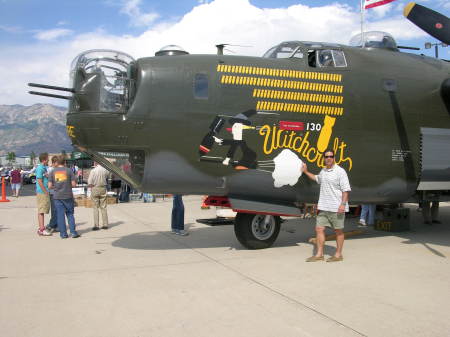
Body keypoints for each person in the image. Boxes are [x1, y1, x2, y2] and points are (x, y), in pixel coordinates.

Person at [302, 149, 351, 262]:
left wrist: (342, 204)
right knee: (319, 229)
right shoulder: (323, 171)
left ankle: (338, 255)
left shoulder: (340, 171)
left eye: (331, 156)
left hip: (336, 207)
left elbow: (346, 190)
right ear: (324, 158)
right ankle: (319, 254)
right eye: (326, 156)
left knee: (338, 231)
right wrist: (305, 171)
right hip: (323, 207)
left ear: (334, 158)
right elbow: (317, 178)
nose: (328, 158)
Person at [48, 155, 79, 239]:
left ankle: (63, 234)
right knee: (70, 214)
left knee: (60, 215)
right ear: (65, 162)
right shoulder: (69, 171)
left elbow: (49, 186)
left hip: (57, 196)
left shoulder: (52, 172)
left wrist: (57, 186)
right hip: (68, 195)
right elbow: (74, 184)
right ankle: (73, 232)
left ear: (57, 162)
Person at [88, 162, 110, 230]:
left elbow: (90, 182)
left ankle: (96, 225)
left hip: (95, 187)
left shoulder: (93, 171)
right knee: (103, 207)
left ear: (95, 163)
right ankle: (105, 224)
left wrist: (91, 188)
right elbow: (108, 176)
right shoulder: (105, 170)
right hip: (103, 187)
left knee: (95, 207)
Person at [36, 153, 52, 236]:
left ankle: (41, 228)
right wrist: (45, 191)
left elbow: (43, 178)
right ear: (44, 160)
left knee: (43, 210)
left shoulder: (44, 168)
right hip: (42, 192)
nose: (48, 160)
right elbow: (39, 180)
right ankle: (41, 229)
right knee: (41, 210)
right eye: (47, 159)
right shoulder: (40, 168)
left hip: (43, 191)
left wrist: (47, 176)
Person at [45, 156, 59, 233]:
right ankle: (53, 224)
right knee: (54, 209)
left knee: (56, 209)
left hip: (56, 192)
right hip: (53, 192)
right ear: (54, 163)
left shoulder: (57, 170)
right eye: (57, 162)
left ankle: (54, 224)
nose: (58, 163)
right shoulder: (51, 170)